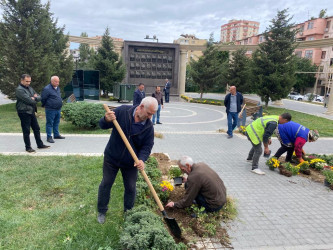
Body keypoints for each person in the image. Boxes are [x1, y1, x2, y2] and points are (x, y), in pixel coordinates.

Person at [97, 97, 158, 224]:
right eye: (148, 113)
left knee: (130, 188)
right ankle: (102, 210)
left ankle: (128, 213)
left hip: (130, 163)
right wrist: (105, 119)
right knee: (106, 183)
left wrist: (141, 159)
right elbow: (102, 125)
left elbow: (147, 147)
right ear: (141, 107)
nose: (150, 117)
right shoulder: (123, 111)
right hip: (112, 157)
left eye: (152, 114)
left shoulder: (148, 127)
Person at [15, 74, 50, 153]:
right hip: (24, 112)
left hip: (31, 111)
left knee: (36, 128)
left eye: (29, 81)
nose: (28, 83)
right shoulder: (19, 90)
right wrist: (33, 98)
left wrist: (34, 97)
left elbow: (39, 97)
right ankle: (28, 147)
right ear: (22, 80)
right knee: (26, 130)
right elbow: (29, 100)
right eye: (26, 81)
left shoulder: (30, 88)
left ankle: (40, 144)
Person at [41, 76, 65, 143]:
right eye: (56, 82)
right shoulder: (47, 89)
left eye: (58, 82)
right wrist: (45, 105)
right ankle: (49, 137)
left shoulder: (57, 88)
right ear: (52, 81)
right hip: (50, 109)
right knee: (49, 123)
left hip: (58, 109)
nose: (57, 83)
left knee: (56, 122)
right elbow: (43, 98)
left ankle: (56, 135)